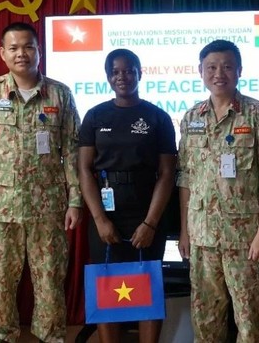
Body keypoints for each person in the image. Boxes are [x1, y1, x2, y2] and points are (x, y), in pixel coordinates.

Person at [0, 21, 82, 343]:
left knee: (50, 283)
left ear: (39, 51)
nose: (21, 53)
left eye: (28, 46)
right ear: (2, 53)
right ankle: (1, 338)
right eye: (13, 48)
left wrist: (74, 201)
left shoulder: (60, 94)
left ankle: (51, 338)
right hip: (1, 210)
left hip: (49, 209)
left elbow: (71, 151)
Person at [176, 39, 259, 342]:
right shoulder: (191, 118)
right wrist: (185, 232)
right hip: (203, 238)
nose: (219, 73)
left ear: (239, 70)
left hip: (246, 238)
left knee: (252, 320)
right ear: (201, 71)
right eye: (211, 67)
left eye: (227, 66)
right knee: (206, 319)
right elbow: (185, 177)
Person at [78, 49, 177, 343]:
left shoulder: (157, 117)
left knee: (149, 286)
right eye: (116, 72)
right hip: (105, 214)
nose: (123, 77)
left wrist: (150, 224)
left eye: (129, 70)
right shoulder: (95, 116)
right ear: (108, 76)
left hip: (146, 213)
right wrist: (99, 219)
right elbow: (84, 170)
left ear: (140, 73)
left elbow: (167, 174)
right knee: (105, 286)